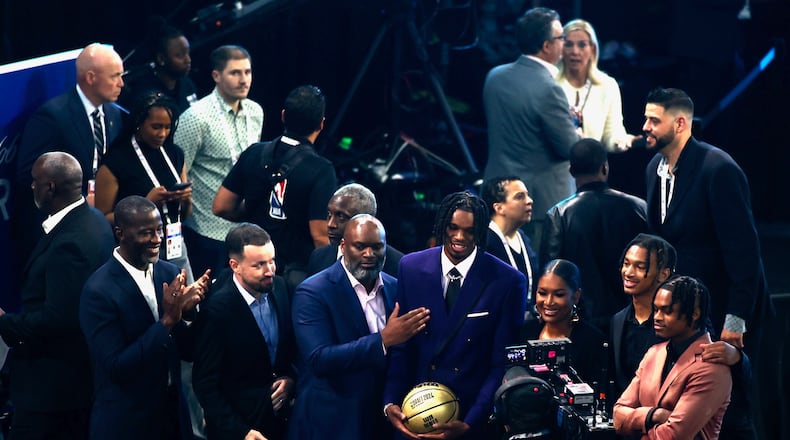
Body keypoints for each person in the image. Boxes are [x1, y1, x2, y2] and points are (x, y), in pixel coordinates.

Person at [642, 87, 772, 361]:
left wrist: (735, 320)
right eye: (646, 119)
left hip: (723, 309)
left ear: (680, 124)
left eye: (654, 121)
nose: (645, 127)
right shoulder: (654, 167)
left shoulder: (718, 168)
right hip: (686, 314)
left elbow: (744, 251)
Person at [383, 191, 526, 439]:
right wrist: (391, 402)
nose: (460, 237)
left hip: (469, 421)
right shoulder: (410, 268)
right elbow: (402, 349)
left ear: (480, 231)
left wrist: (470, 423)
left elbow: (500, 364)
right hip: (414, 419)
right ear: (442, 225)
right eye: (453, 227)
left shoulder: (507, 281)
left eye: (470, 231)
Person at [0, 152, 114, 439]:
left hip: (52, 388)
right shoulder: (95, 220)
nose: (31, 187)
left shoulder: (71, 243)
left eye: (35, 181)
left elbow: (59, 319)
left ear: (50, 188)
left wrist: (4, 322)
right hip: (75, 380)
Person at [79, 195, 210, 440]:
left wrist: (190, 314)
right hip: (126, 422)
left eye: (159, 230)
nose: (157, 239)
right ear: (120, 233)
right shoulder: (98, 291)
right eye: (146, 233)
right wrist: (168, 321)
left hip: (172, 417)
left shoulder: (169, 272)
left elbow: (189, 352)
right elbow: (117, 367)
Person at [291, 214, 430, 438]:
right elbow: (319, 359)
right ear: (343, 246)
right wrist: (383, 340)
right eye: (360, 246)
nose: (369, 254)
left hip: (383, 421)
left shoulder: (397, 288)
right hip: (331, 423)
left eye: (377, 247)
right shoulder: (313, 292)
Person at [611, 233, 756, 438]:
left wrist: (738, 358)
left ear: (663, 274)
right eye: (626, 263)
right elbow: (617, 413)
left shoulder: (692, 328)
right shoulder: (620, 323)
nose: (629, 272)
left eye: (640, 266)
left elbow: (676, 433)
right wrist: (653, 415)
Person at [213, 85, 337, 290]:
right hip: (293, 278)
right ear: (321, 124)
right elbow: (320, 236)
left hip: (249, 272)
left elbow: (221, 206)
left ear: (283, 115)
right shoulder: (322, 170)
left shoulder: (254, 152)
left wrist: (256, 210)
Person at [12, 43, 125, 264]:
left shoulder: (114, 114)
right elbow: (28, 174)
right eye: (115, 76)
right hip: (64, 234)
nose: (121, 83)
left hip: (102, 226)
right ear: (90, 77)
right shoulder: (53, 116)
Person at [483, 7, 580, 252]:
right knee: (537, 275)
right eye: (561, 39)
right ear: (547, 46)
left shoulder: (495, 77)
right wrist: (576, 126)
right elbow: (569, 148)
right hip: (536, 203)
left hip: (496, 196)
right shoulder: (550, 89)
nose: (565, 44)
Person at [192, 223, 295, 440]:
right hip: (238, 427)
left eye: (272, 261)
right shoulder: (217, 310)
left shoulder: (281, 288)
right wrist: (241, 432)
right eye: (259, 265)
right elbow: (205, 384)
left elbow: (291, 351)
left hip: (280, 422)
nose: (270, 271)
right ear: (235, 266)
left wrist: (290, 380)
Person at [174, 45, 263, 279]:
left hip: (245, 230)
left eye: (247, 72)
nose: (244, 80)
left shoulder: (256, 112)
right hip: (207, 233)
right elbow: (178, 170)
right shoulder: (195, 118)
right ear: (216, 76)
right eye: (235, 73)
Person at [542, 138, 647, 331]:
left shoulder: (559, 214)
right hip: (635, 318)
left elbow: (551, 274)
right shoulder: (638, 208)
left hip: (582, 322)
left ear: (571, 171)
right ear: (605, 167)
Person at [614, 275, 732, 439]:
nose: (657, 317)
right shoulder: (654, 353)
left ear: (695, 314)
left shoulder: (712, 368)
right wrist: (653, 415)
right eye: (656, 309)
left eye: (667, 311)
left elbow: (673, 436)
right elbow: (618, 416)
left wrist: (637, 421)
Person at [95, 91, 194, 281]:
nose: (162, 134)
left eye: (167, 127)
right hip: (138, 252)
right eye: (156, 127)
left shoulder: (175, 153)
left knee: (188, 305)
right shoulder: (116, 161)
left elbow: (185, 214)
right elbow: (102, 218)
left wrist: (186, 199)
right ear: (139, 124)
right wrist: (147, 204)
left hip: (174, 244)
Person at [556, 19, 641, 151]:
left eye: (582, 45)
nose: (575, 51)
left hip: (591, 168)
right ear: (561, 48)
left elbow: (612, 133)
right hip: (554, 167)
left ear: (593, 49)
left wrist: (620, 142)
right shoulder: (550, 84)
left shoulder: (608, 86)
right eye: (568, 44)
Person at [521, 259, 607, 386]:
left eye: (559, 295)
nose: (548, 302)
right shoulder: (525, 332)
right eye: (542, 293)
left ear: (576, 296)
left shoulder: (593, 340)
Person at [306, 183, 404, 277]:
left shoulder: (398, 265)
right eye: (329, 215)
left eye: (341, 216)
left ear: (366, 221)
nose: (330, 224)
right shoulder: (319, 257)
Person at [119, 17, 198, 116]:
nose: (188, 60)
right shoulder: (145, 95)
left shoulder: (187, 84)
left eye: (187, 53)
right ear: (161, 59)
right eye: (180, 55)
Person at [480, 176, 539, 302]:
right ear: (499, 208)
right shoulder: (483, 242)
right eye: (520, 197)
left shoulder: (523, 238)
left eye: (527, 195)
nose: (529, 201)